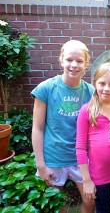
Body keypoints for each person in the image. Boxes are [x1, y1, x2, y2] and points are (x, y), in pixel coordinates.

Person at [31, 40, 95, 213]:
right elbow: (37, 128)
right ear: (61, 60)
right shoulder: (46, 89)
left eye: (79, 61)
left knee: (90, 203)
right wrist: (41, 165)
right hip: (53, 158)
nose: (74, 65)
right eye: (69, 60)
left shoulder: (92, 92)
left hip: (80, 159)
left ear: (86, 63)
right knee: (57, 206)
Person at [76, 62, 110, 213]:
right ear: (95, 83)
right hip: (99, 178)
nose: (106, 88)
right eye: (102, 83)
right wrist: (87, 181)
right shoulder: (87, 110)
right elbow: (80, 149)